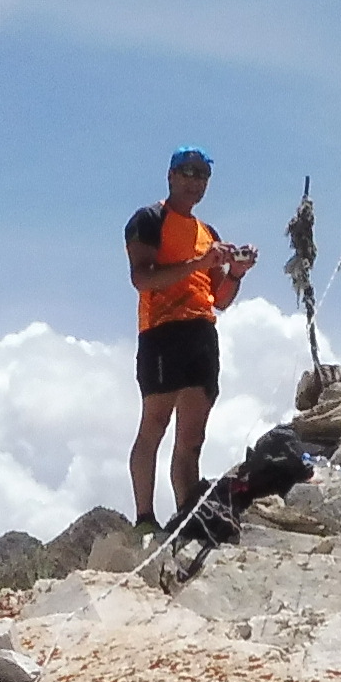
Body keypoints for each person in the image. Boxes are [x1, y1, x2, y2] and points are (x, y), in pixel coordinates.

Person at [124, 147, 257, 528]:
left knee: (192, 437)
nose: (195, 181)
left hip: (201, 331)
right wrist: (198, 263)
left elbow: (220, 299)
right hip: (162, 330)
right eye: (188, 172)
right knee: (155, 424)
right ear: (170, 175)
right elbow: (142, 278)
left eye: (202, 175)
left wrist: (235, 272)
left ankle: (187, 517)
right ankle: (145, 518)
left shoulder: (207, 233)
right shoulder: (150, 219)